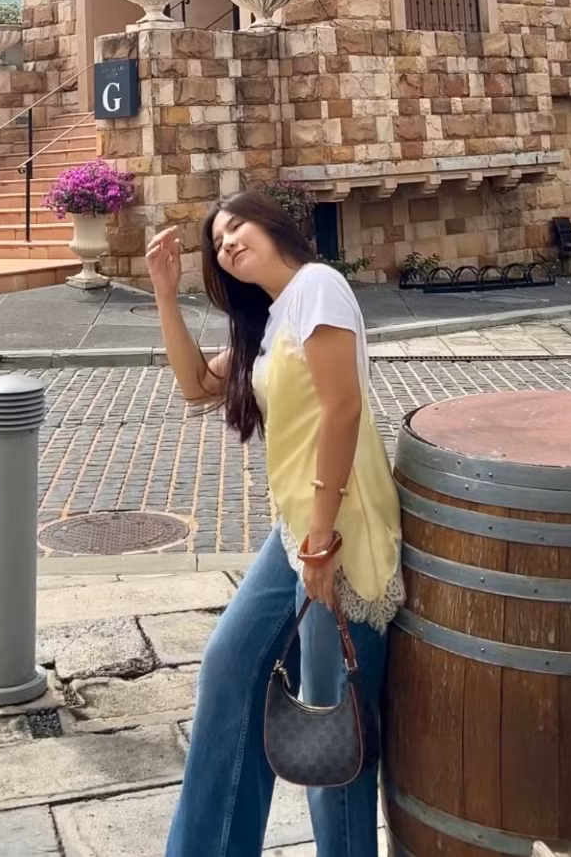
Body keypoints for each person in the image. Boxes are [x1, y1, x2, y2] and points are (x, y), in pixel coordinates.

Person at [145, 188, 403, 857]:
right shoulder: (269, 321)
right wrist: (166, 295)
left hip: (339, 530)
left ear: (274, 226)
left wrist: (321, 539)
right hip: (295, 533)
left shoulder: (318, 286)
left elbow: (342, 409)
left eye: (237, 227)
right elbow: (196, 385)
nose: (227, 243)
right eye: (218, 242)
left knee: (331, 721)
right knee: (230, 668)